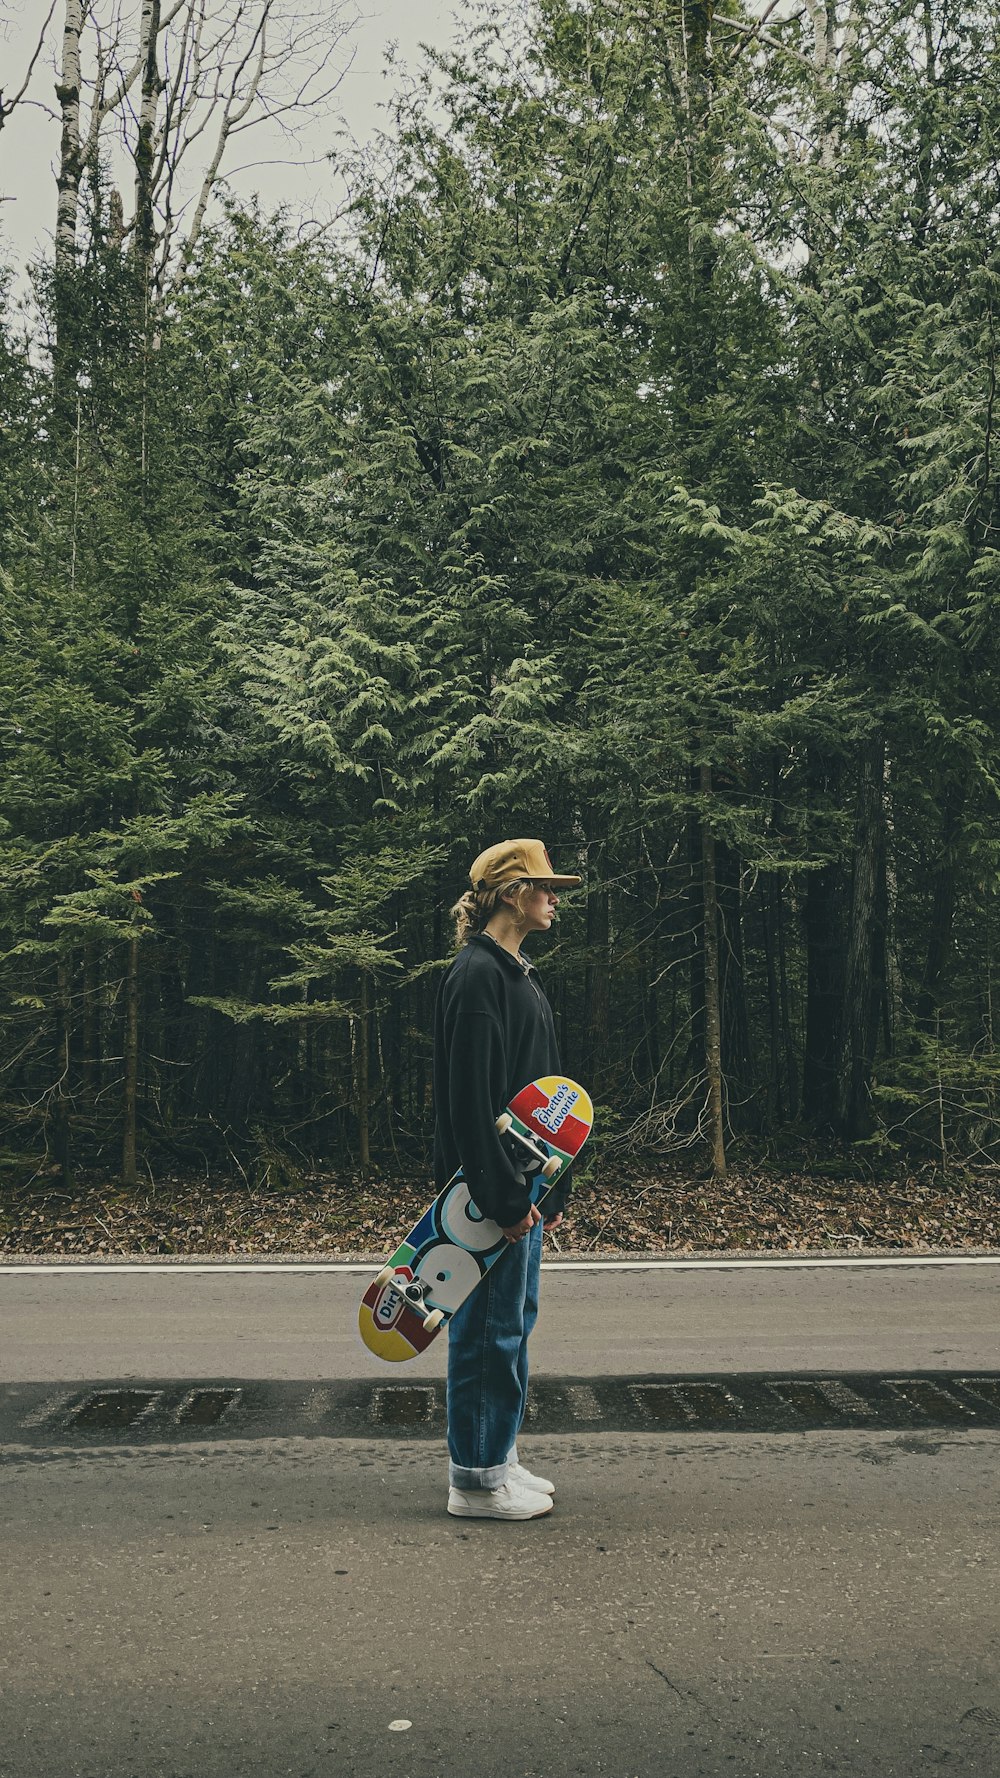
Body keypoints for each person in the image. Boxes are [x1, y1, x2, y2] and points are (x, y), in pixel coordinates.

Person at [433, 838, 581, 1520]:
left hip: (523, 1192)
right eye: (547, 886)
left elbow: (537, 1099)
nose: (556, 898)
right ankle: (476, 1481)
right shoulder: (476, 977)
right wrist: (501, 1198)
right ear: (512, 892)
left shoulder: (515, 972)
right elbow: (470, 1102)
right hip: (493, 1195)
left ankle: (500, 1458)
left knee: (512, 1323)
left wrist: (547, 1194)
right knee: (486, 1331)